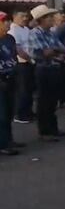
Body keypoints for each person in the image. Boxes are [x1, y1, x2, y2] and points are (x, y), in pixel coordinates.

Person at [28, 5, 65, 142]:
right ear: (41, 19)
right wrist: (54, 51)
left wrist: (53, 51)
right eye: (49, 17)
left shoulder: (50, 33)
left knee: (52, 101)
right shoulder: (34, 33)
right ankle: (44, 131)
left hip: (54, 68)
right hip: (43, 69)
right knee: (44, 101)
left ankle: (53, 129)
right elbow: (42, 53)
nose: (52, 19)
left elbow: (62, 48)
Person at [0, 11, 21, 156]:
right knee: (1, 114)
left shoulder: (10, 38)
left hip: (12, 77)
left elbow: (14, 56)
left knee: (9, 111)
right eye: (3, 21)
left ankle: (9, 139)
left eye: (7, 20)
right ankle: (3, 144)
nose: (7, 23)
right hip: (1, 79)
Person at [9, 10, 35, 124]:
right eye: (22, 16)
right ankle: (20, 114)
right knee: (22, 90)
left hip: (29, 62)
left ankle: (28, 111)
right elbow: (18, 50)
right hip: (21, 63)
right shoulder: (13, 30)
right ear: (14, 17)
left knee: (29, 89)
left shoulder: (25, 29)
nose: (25, 18)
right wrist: (30, 59)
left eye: (26, 16)